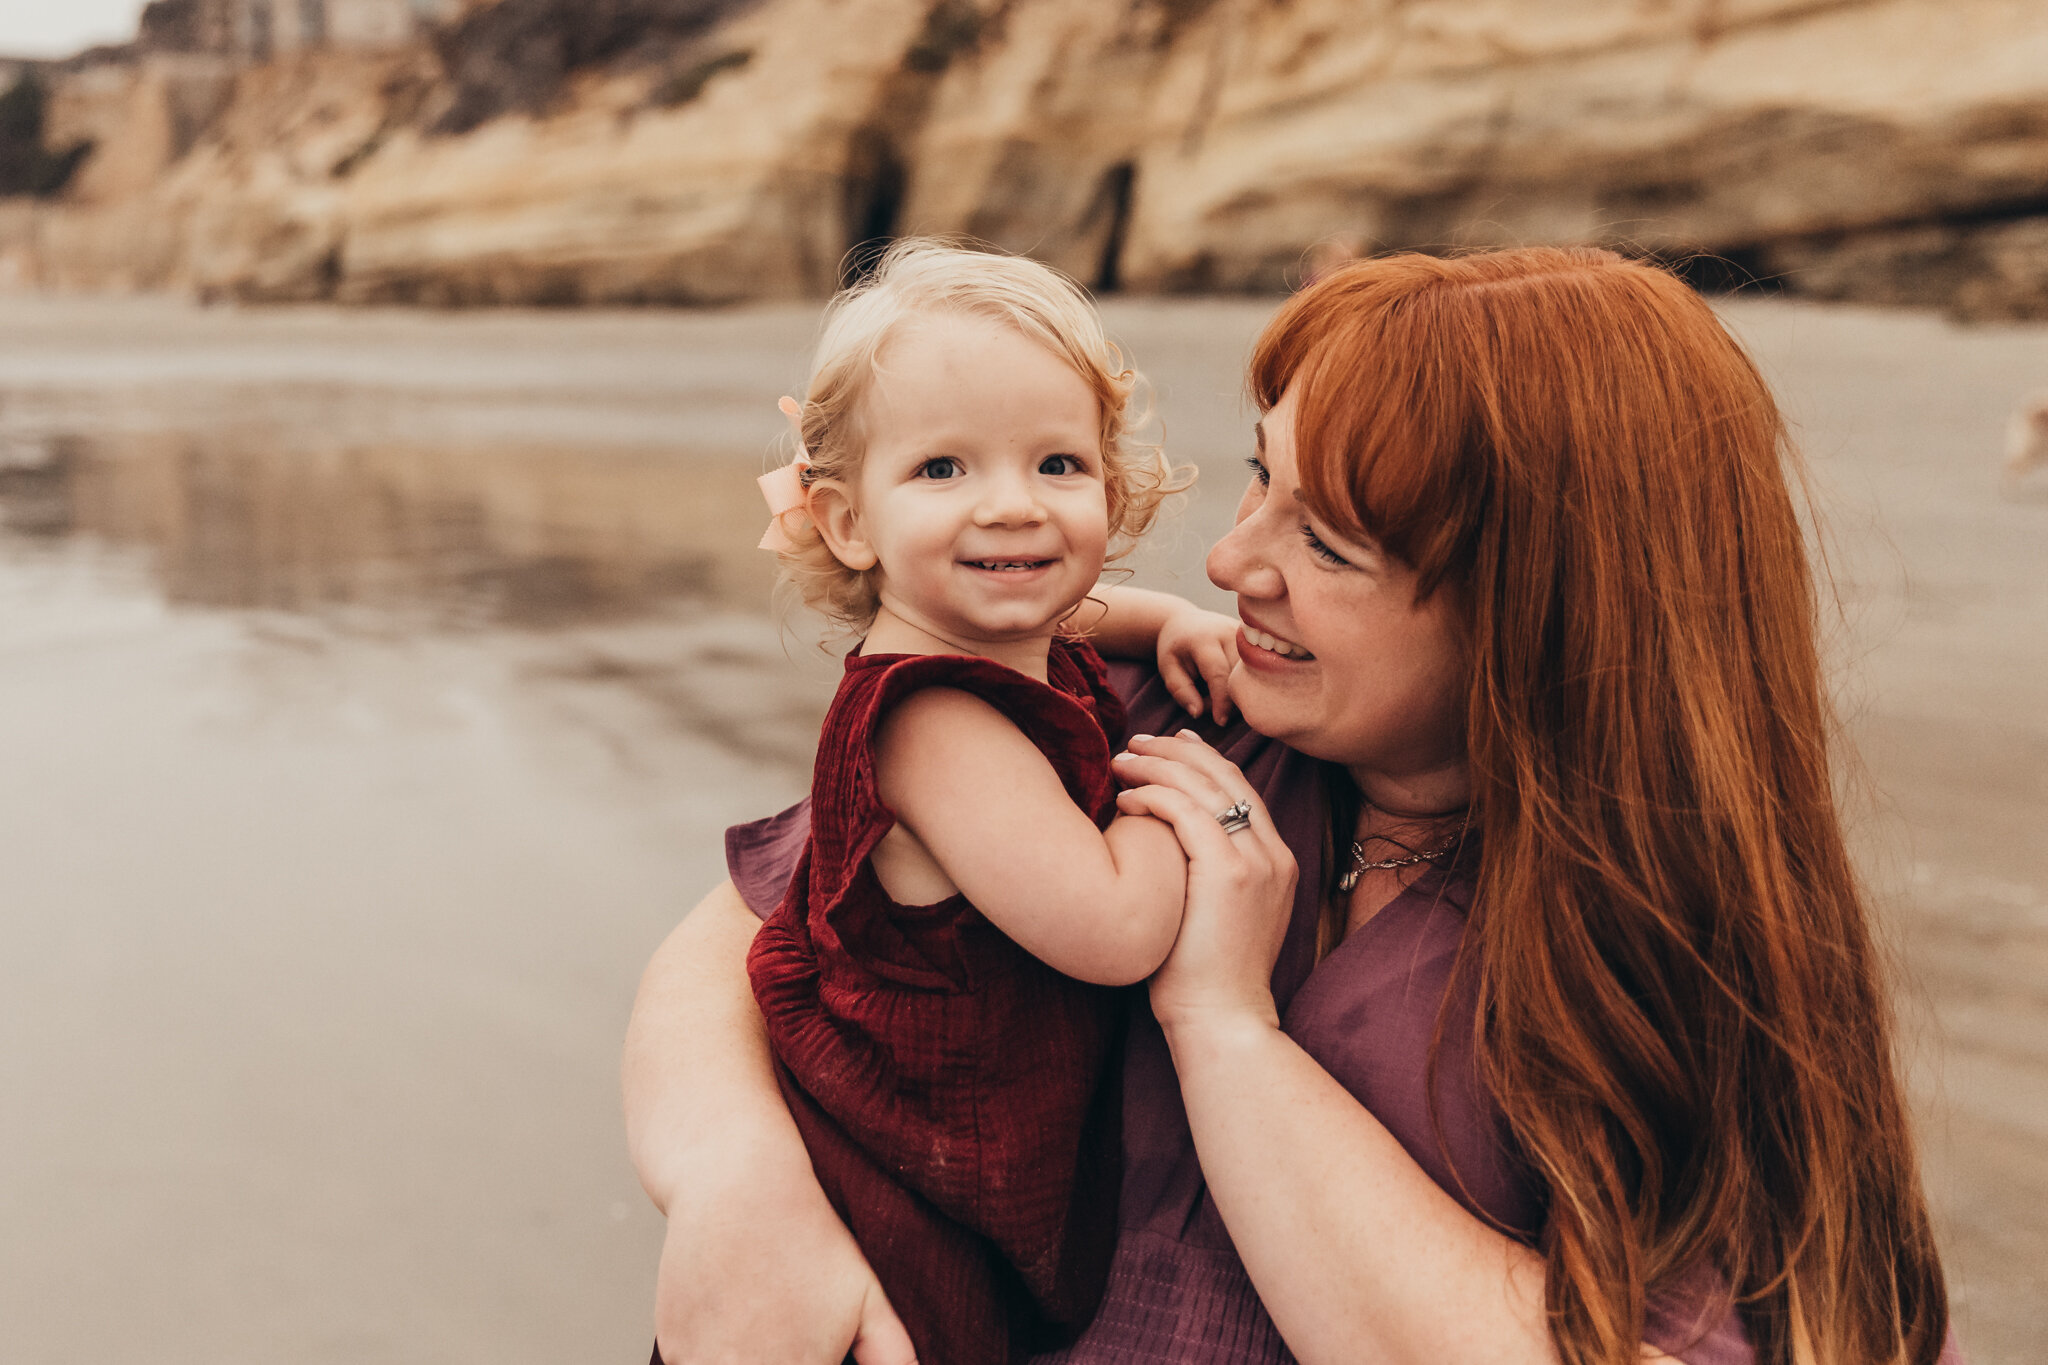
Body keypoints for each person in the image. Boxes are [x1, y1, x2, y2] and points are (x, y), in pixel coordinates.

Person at [624, 247, 1960, 1365]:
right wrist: (740, 1179)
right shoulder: (1166, 710)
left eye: (1326, 540)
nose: (1226, 561)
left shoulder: (1670, 955)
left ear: (1540, 616)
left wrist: (1225, 1030)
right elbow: (752, 936)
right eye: (1260, 476)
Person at [729, 240, 1238, 1363]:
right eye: (942, 471)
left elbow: (1078, 619)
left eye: (1056, 465)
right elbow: (1113, 929)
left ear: (1111, 485)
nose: (1011, 509)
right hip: (913, 1187)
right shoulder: (931, 722)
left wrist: (1167, 625)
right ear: (847, 522)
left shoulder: (994, 632)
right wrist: (1177, 793)